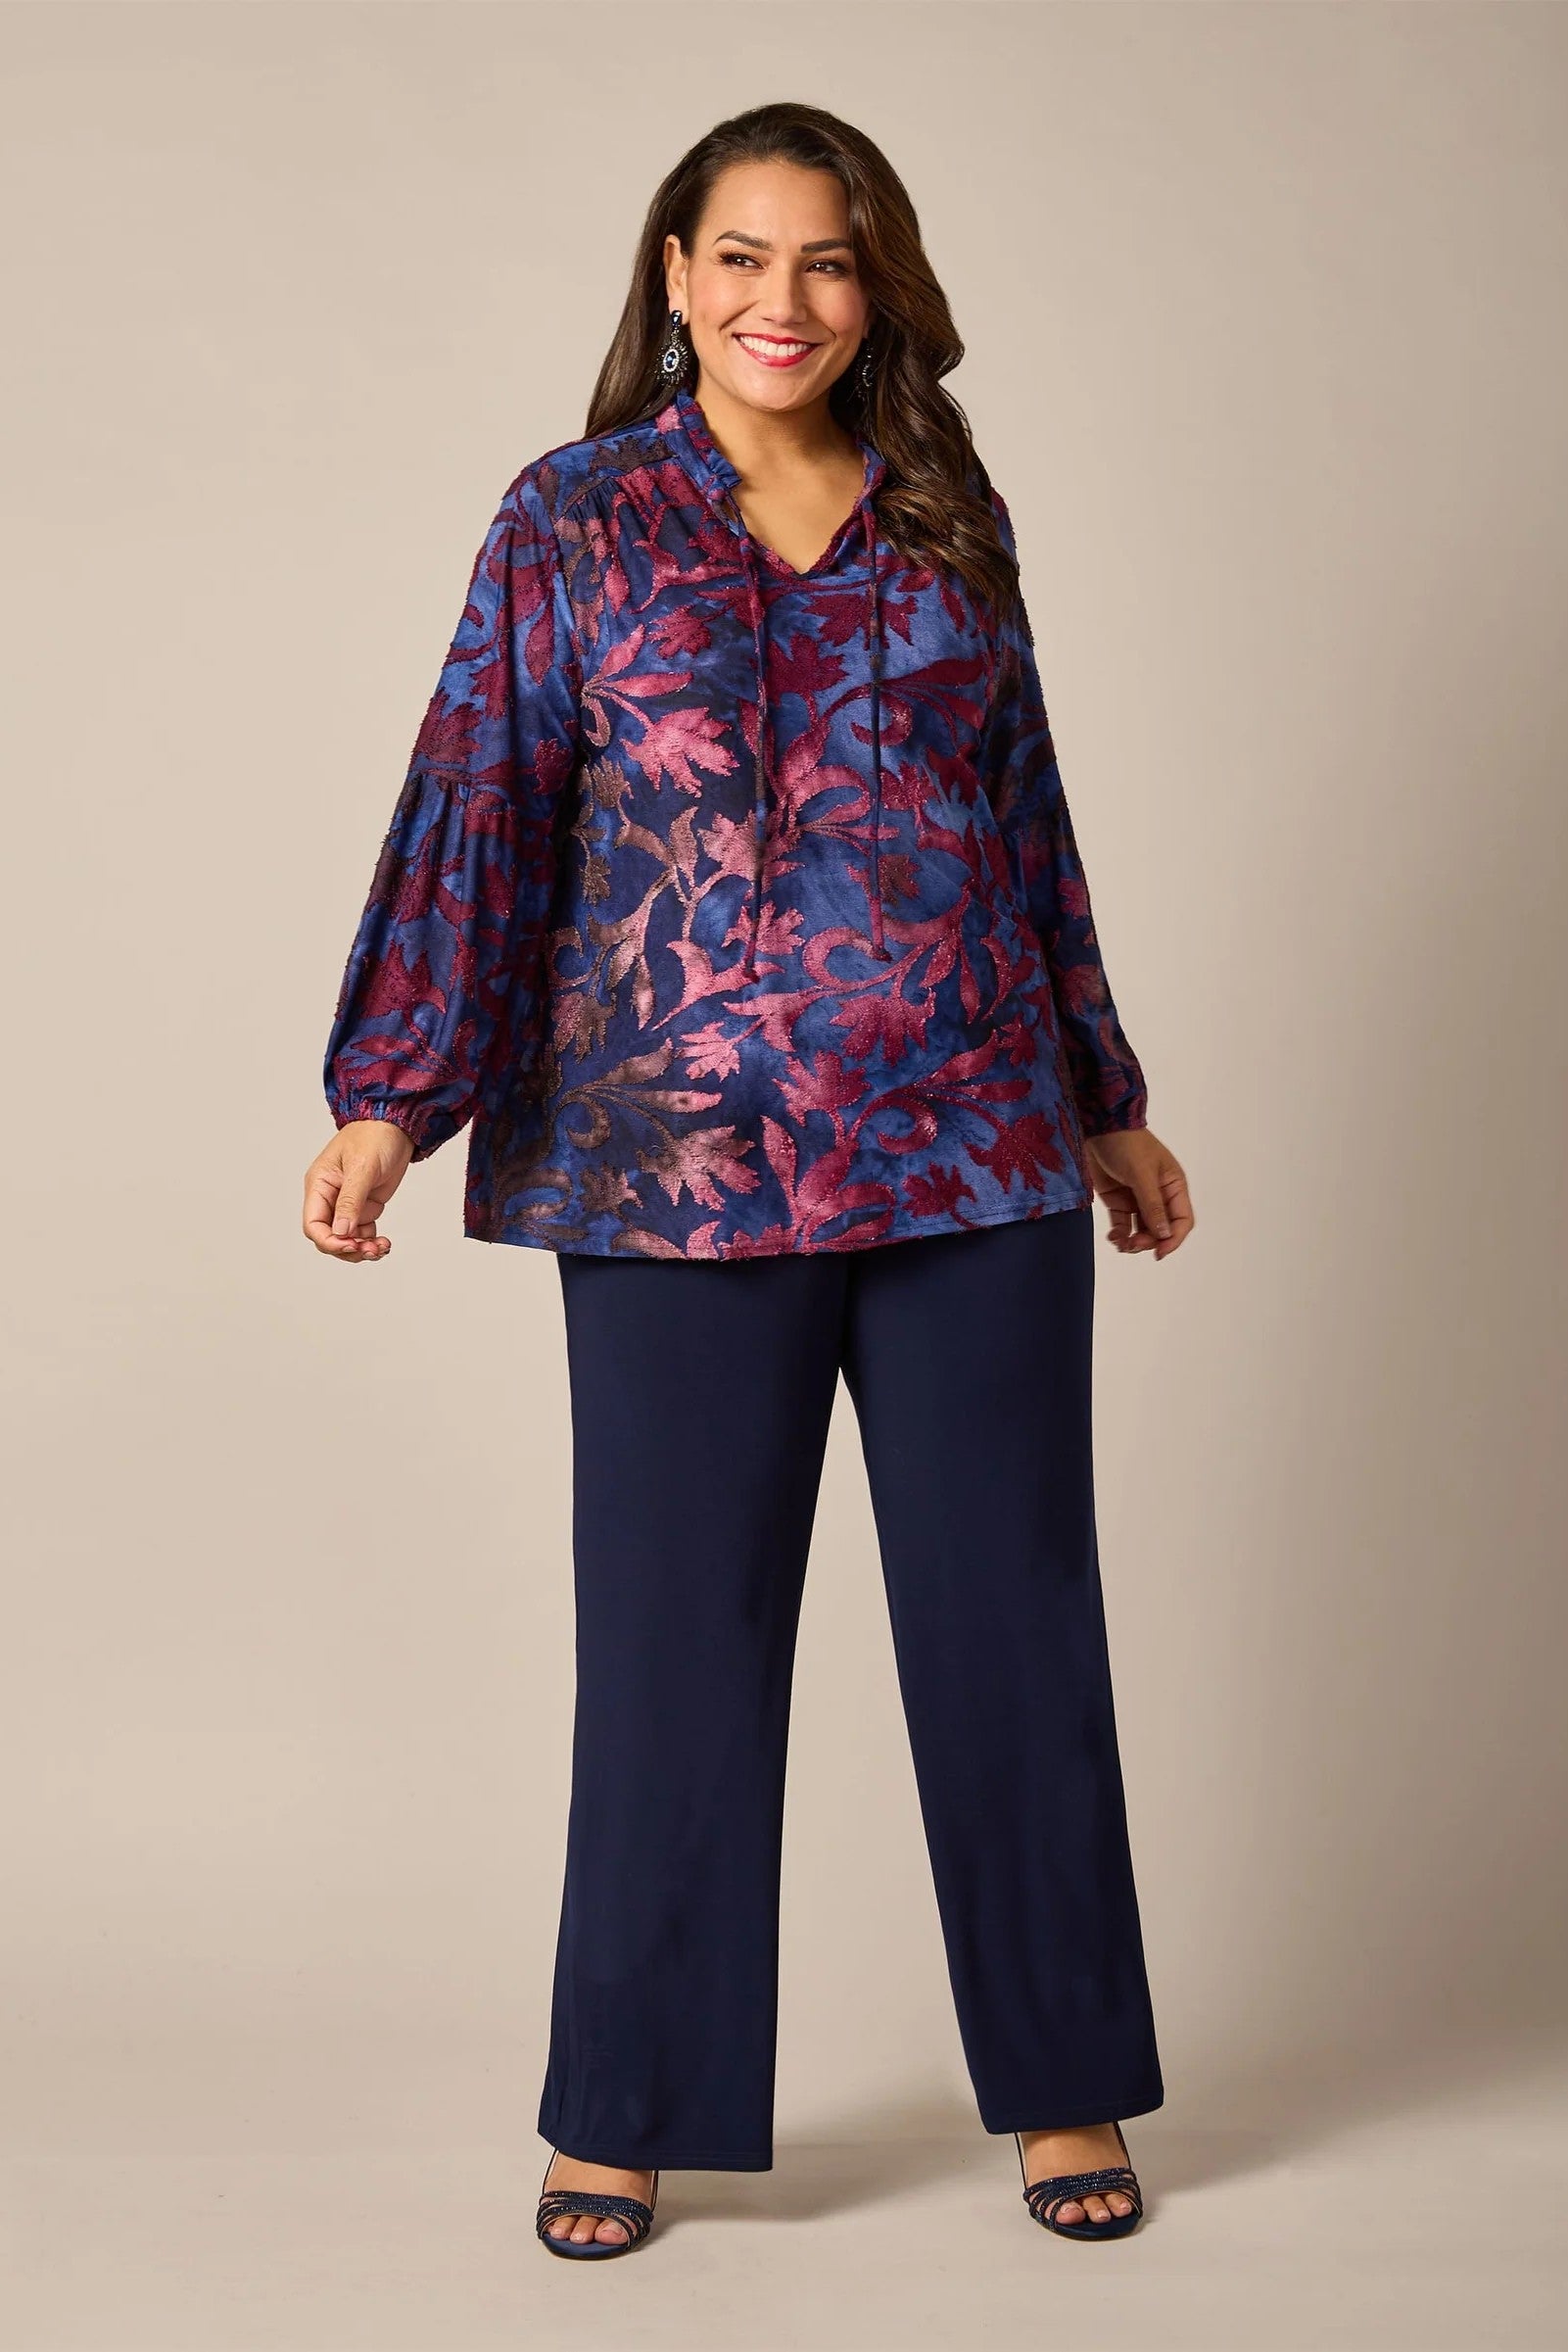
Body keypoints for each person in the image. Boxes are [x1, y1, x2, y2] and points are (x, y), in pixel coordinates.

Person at [304, 99, 1195, 2259]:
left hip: (972, 1146)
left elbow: (1023, 812)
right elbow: (484, 798)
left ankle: (1064, 2084)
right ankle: (624, 2106)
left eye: (827, 259)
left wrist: (1100, 1089)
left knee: (1014, 1632)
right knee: (673, 1650)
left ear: (876, 285)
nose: (781, 300)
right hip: (670, 1171)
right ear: (675, 275)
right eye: (741, 256)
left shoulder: (947, 510)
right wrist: (393, 1094)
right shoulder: (573, 519)